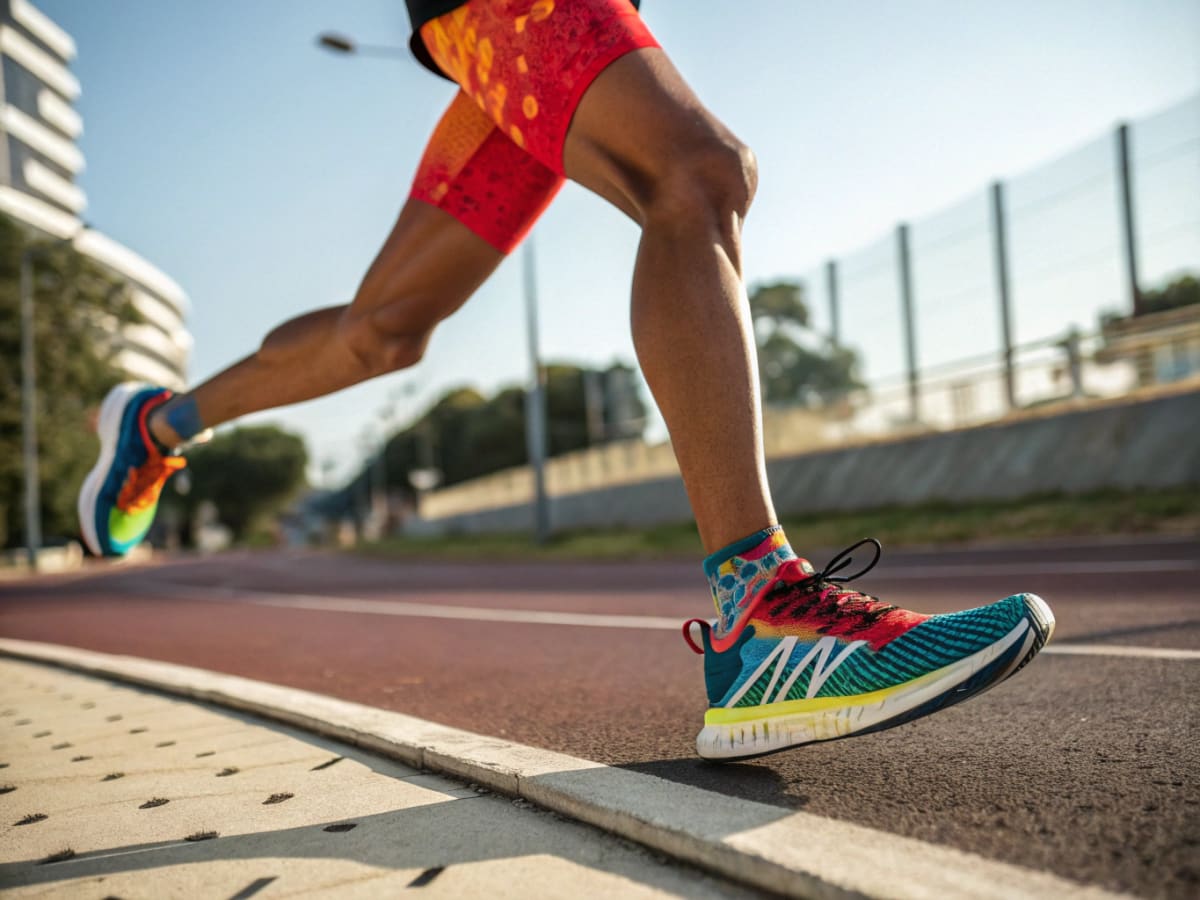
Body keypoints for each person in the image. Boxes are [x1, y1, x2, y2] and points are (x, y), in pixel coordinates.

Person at [78, 0, 1054, 761]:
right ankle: (760, 612)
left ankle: (160, 424)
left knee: (385, 331)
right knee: (698, 172)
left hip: (501, 37)